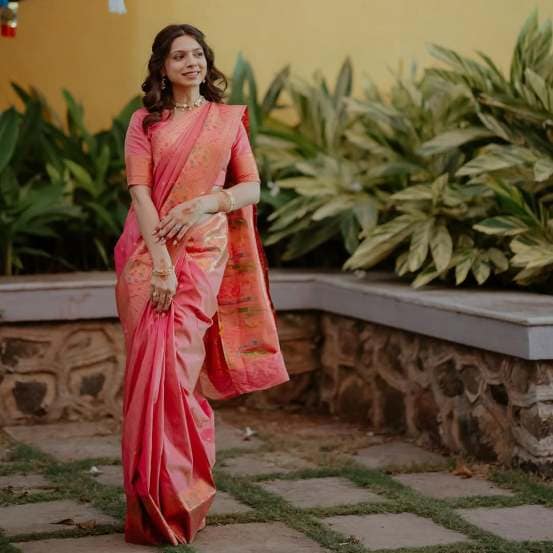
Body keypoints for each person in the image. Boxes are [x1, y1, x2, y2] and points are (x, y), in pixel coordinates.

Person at [113, 23, 289, 546]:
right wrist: (162, 263)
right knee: (151, 375)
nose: (190, 63)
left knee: (178, 375)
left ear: (206, 63)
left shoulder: (226, 121)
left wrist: (206, 203)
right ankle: (149, 496)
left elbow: (251, 187)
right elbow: (140, 194)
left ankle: (182, 494)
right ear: (162, 68)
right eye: (178, 57)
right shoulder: (146, 121)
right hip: (149, 257)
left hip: (205, 253)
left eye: (197, 55)